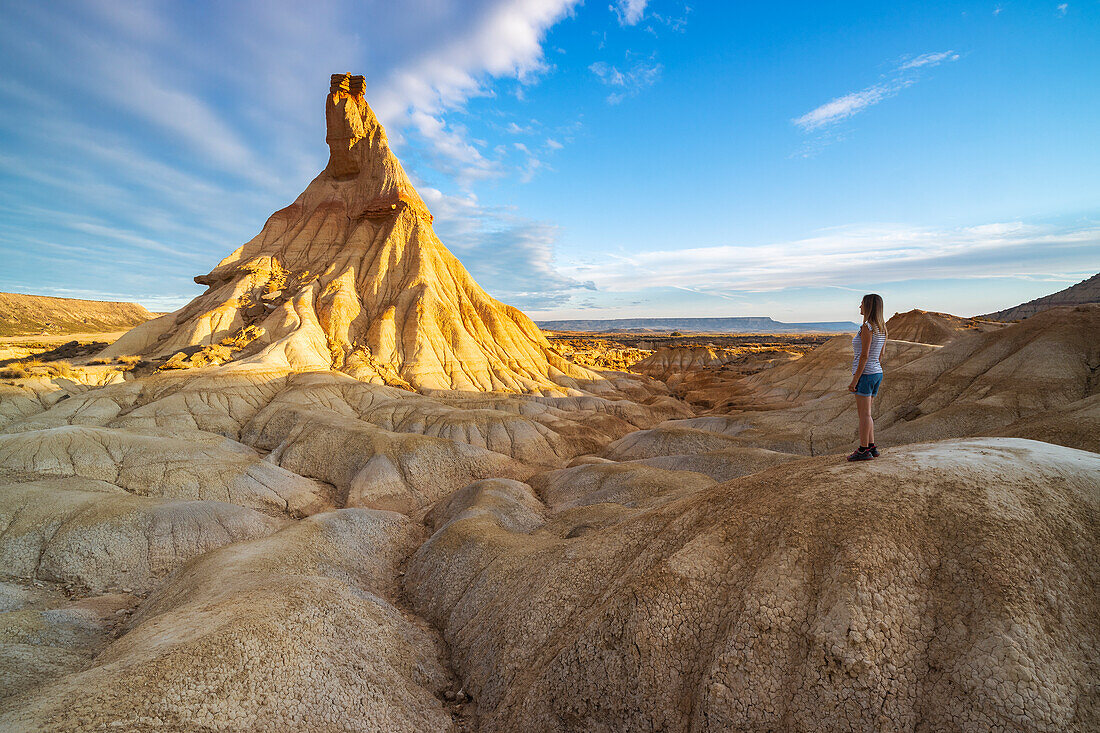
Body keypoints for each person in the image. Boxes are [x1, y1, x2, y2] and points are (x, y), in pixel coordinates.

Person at [847, 293, 887, 461]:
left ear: (869, 306)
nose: (859, 307)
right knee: (868, 413)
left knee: (864, 415)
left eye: (862, 303)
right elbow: (881, 354)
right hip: (877, 373)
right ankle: (871, 446)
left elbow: (864, 356)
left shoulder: (867, 328)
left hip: (866, 374)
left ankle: (863, 450)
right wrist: (873, 367)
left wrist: (855, 380)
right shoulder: (882, 328)